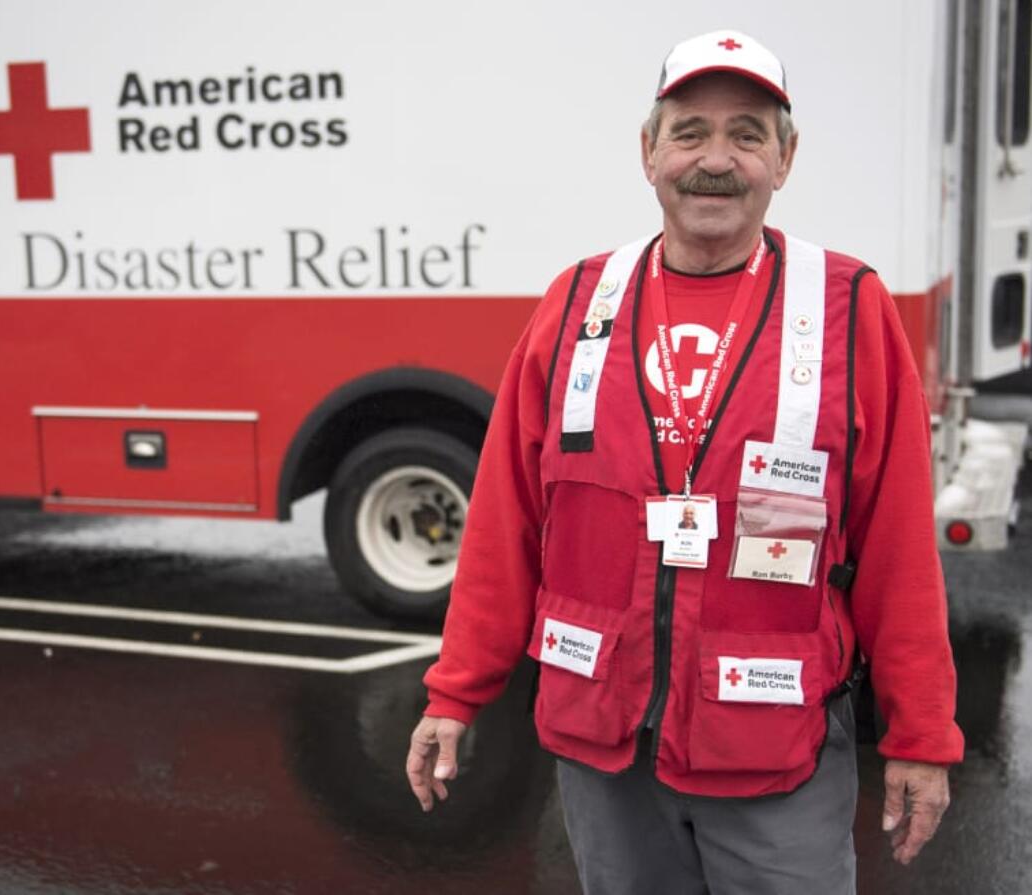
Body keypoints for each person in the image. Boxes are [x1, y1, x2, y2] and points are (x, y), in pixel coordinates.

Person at [405, 29, 963, 895]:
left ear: (785, 158)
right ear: (649, 151)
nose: (716, 159)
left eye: (746, 133)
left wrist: (922, 736)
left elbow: (897, 549)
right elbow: (505, 517)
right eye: (690, 131)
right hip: (604, 750)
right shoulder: (578, 302)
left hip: (776, 754)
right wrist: (454, 692)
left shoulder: (850, 306)